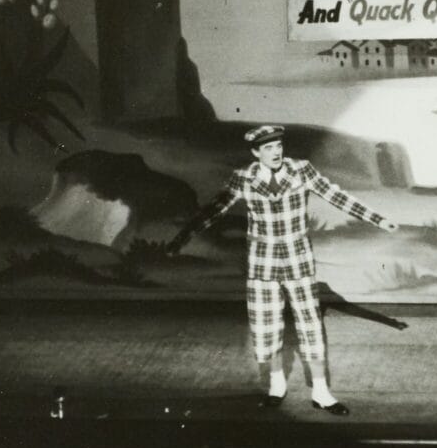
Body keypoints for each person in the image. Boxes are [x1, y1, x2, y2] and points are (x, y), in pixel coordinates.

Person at [166, 124, 398, 414]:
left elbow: (337, 196)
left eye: (278, 146)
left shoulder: (301, 170)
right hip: (261, 264)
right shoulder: (243, 177)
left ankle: (322, 392)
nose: (276, 152)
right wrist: (182, 237)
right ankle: (277, 385)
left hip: (298, 260)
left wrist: (378, 219)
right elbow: (215, 209)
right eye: (268, 148)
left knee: (310, 325)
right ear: (255, 152)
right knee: (266, 326)